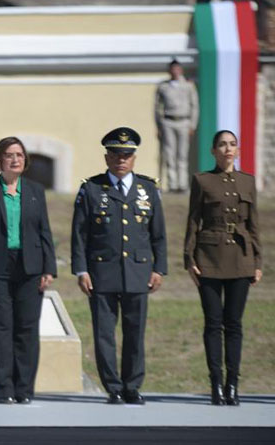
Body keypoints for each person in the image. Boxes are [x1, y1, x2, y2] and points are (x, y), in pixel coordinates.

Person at [71, 127, 166, 405]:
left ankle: (132, 386)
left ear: (134, 157)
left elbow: (158, 234)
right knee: (104, 333)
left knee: (135, 332)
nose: (121, 159)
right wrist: (81, 269)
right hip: (102, 272)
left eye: (127, 154)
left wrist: (159, 268)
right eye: (116, 154)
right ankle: (113, 386)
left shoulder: (147, 189)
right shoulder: (91, 188)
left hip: (138, 271)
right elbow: (79, 234)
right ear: (107, 157)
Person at [0, 136, 56, 405]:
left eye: (19, 154)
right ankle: (2, 389)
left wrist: (48, 268)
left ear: (25, 160)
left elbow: (44, 231)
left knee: (26, 330)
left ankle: (23, 389)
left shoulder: (36, 191)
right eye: (9, 155)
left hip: (30, 268)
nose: (15, 159)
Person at [184, 130, 262, 406]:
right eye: (222, 145)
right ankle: (216, 384)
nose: (228, 149)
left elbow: (253, 225)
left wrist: (258, 261)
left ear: (237, 151)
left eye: (232, 144)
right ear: (213, 151)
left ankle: (233, 385)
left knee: (235, 324)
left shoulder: (248, 182)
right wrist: (189, 258)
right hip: (209, 258)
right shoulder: (202, 181)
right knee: (213, 323)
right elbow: (193, 221)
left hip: (241, 258)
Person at [155, 59, 198, 193]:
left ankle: (183, 184)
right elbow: (157, 108)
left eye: (177, 69)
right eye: (172, 69)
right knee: (170, 153)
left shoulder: (188, 86)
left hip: (184, 121)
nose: (175, 71)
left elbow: (194, 106)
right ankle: (173, 184)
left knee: (182, 154)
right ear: (169, 71)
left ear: (181, 70)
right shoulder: (163, 87)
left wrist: (193, 125)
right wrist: (158, 125)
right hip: (168, 122)